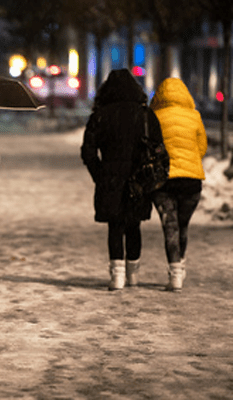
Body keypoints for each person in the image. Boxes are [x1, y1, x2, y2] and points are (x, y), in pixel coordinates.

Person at [81, 69, 164, 290]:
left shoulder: (100, 115)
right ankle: (133, 274)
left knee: (115, 225)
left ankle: (116, 276)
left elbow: (88, 151)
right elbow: (158, 148)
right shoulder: (146, 115)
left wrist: (99, 174)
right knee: (133, 224)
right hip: (139, 178)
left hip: (110, 178)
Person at [149, 78, 207, 291]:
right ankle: (181, 264)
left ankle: (175, 275)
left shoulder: (154, 117)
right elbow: (201, 148)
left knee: (170, 226)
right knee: (183, 226)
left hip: (163, 181)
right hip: (190, 182)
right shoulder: (194, 116)